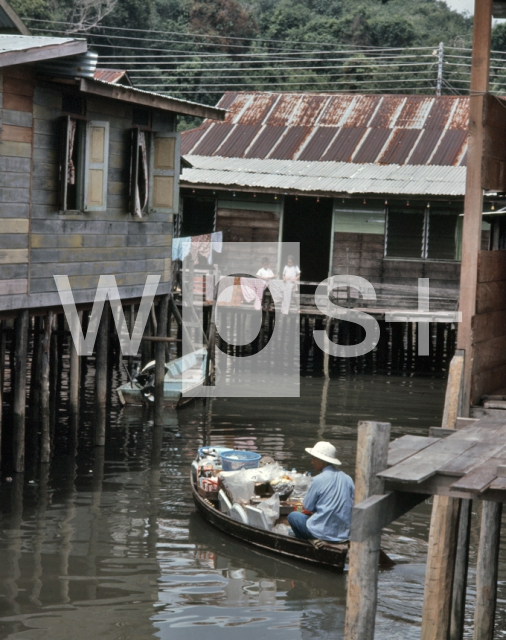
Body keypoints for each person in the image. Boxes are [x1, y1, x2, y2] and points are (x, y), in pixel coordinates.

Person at [287, 441, 354, 542]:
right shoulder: (348, 478)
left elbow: (308, 507)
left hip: (322, 532)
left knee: (293, 516)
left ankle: (306, 540)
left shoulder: (318, 479)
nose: (312, 462)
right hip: (343, 533)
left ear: (322, 461)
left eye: (314, 459)